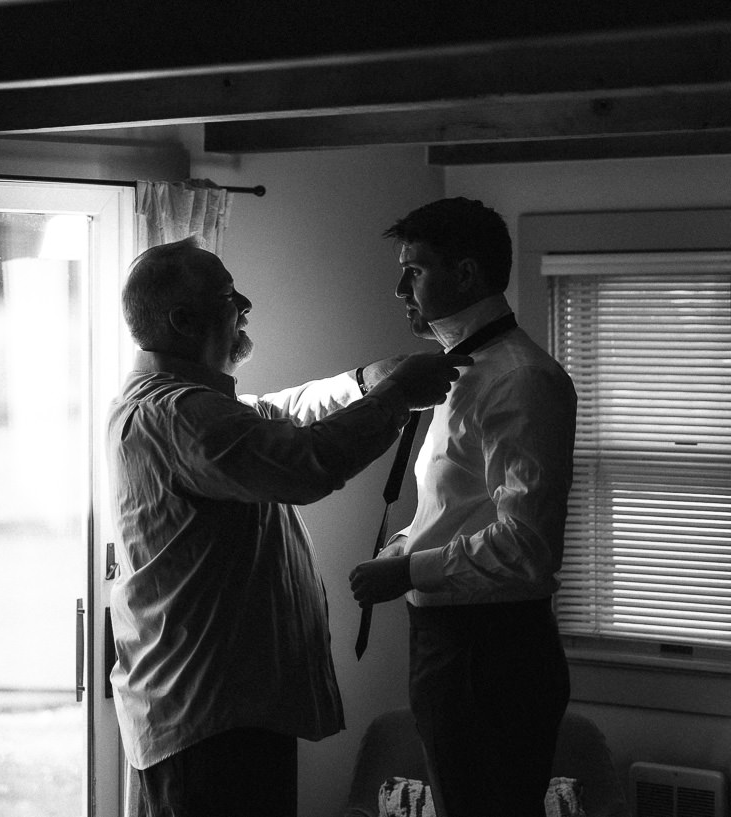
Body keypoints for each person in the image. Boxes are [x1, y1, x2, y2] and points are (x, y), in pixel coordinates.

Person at [108, 237, 467, 817]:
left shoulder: (184, 405)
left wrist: (363, 381)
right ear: (182, 319)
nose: (244, 303)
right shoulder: (180, 415)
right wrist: (396, 397)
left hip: (218, 710)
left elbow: (275, 415)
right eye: (229, 295)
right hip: (211, 721)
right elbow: (304, 465)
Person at [347, 197, 578, 817]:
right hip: (451, 644)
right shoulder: (459, 373)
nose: (400, 288)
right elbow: (456, 507)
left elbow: (526, 545)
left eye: (415, 271)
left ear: (468, 274)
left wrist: (406, 572)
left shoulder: (520, 380)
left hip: (492, 656)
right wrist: (401, 546)